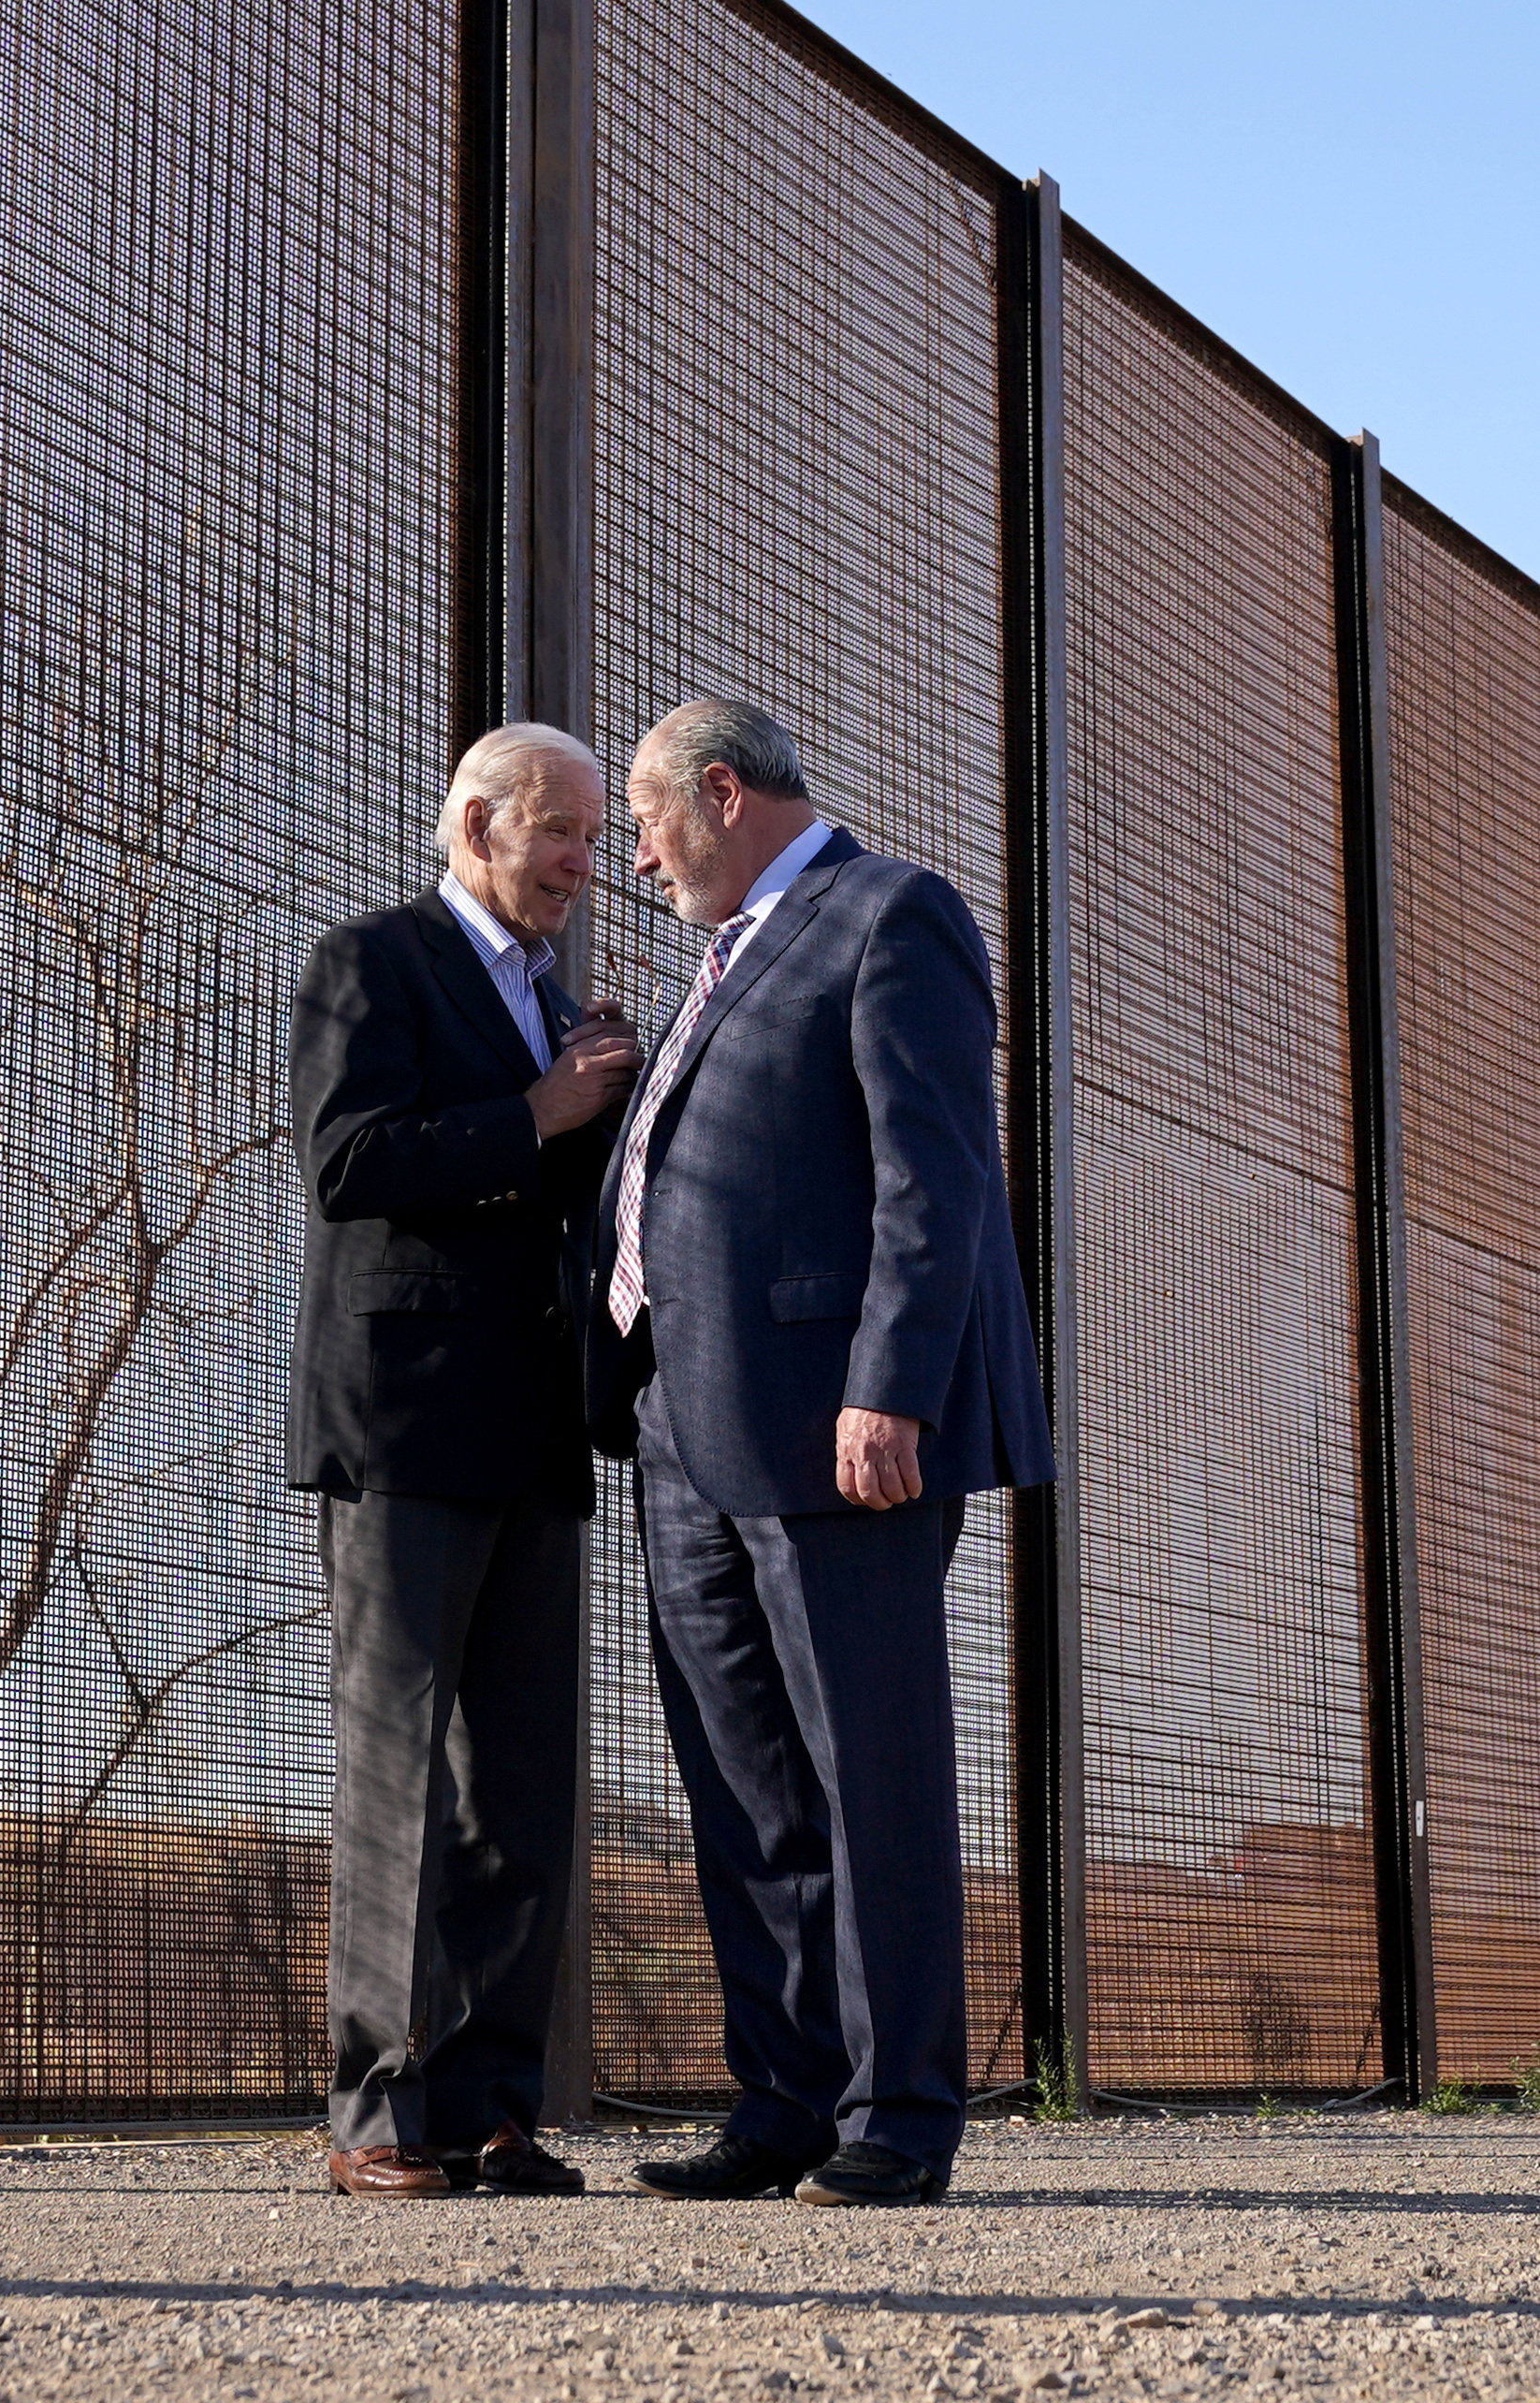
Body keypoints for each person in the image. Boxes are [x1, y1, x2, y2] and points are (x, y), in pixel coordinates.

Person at [588, 698, 1054, 2208]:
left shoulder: (889, 912)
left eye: (649, 826)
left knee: (873, 1772)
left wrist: (891, 1390)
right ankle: (782, 2101)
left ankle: (899, 2114)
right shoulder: (717, 963)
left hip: (837, 1427)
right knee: (744, 1788)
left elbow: (935, 1172)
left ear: (721, 793)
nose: (640, 860)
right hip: (683, 1421)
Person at [288, 721, 640, 2199]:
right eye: (557, 829)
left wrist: (589, 1100)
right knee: (399, 1776)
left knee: (518, 1789)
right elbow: (348, 1161)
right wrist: (540, 1112)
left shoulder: (549, 1001)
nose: (580, 862)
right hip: (407, 1423)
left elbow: (548, 1200)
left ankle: (492, 2101)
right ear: (477, 826)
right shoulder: (370, 960)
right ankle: (380, 2112)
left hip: (534, 1427)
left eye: (585, 836)